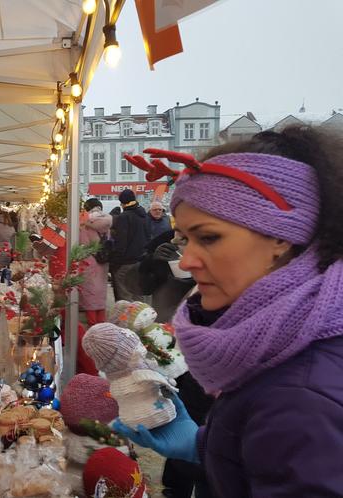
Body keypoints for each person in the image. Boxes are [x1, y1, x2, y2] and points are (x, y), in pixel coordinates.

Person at [113, 126, 343, 497]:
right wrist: (206, 445)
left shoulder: (301, 398)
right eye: (185, 238)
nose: (186, 260)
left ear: (281, 237)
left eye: (209, 237)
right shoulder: (278, 338)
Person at [138, 230, 195, 322]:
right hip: (163, 306)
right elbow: (141, 281)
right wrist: (153, 259)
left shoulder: (207, 244)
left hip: (192, 310)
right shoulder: (164, 240)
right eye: (178, 229)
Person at [109, 189, 150, 301]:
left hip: (126, 262)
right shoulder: (144, 215)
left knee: (125, 296)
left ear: (122, 202)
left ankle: (127, 318)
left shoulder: (124, 217)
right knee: (138, 295)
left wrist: (115, 261)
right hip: (141, 261)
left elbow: (121, 242)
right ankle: (143, 317)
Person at [79, 198, 113, 327]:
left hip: (89, 260)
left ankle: (93, 325)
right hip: (103, 261)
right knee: (101, 291)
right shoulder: (107, 223)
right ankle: (102, 323)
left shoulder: (85, 223)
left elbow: (83, 244)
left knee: (90, 292)